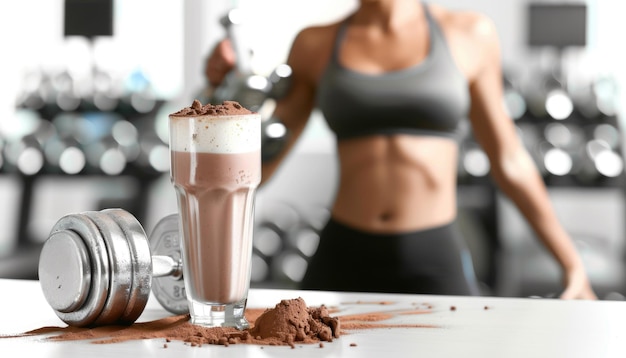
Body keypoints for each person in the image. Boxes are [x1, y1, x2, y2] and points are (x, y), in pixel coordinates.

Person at [205, 0, 597, 299]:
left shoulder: (469, 34)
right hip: (344, 250)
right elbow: (261, 162)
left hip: (434, 251)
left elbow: (509, 160)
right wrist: (219, 97)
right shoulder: (315, 43)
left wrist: (570, 263)